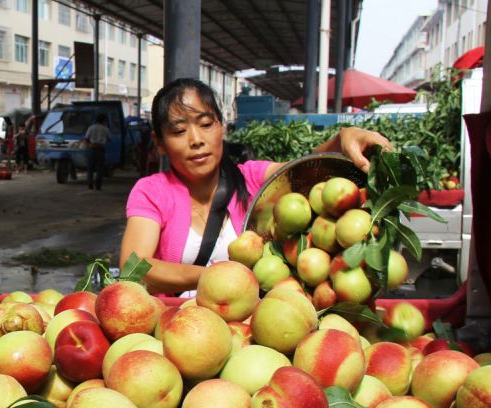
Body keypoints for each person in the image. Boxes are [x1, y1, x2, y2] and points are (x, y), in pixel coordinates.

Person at [119, 77, 391, 296]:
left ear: (221, 127)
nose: (196, 139)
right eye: (179, 131)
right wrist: (224, 278)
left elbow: (304, 170)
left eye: (205, 124)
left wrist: (343, 139)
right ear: (159, 143)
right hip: (175, 330)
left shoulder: (251, 178)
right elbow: (135, 266)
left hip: (250, 331)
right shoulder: (152, 191)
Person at [84, 113, 111, 190]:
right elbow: (109, 139)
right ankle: (98, 186)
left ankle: (90, 184)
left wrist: (89, 145)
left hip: (92, 149)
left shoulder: (91, 128)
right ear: (104, 121)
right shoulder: (105, 129)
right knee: (100, 169)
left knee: (90, 168)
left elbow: (86, 139)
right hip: (101, 150)